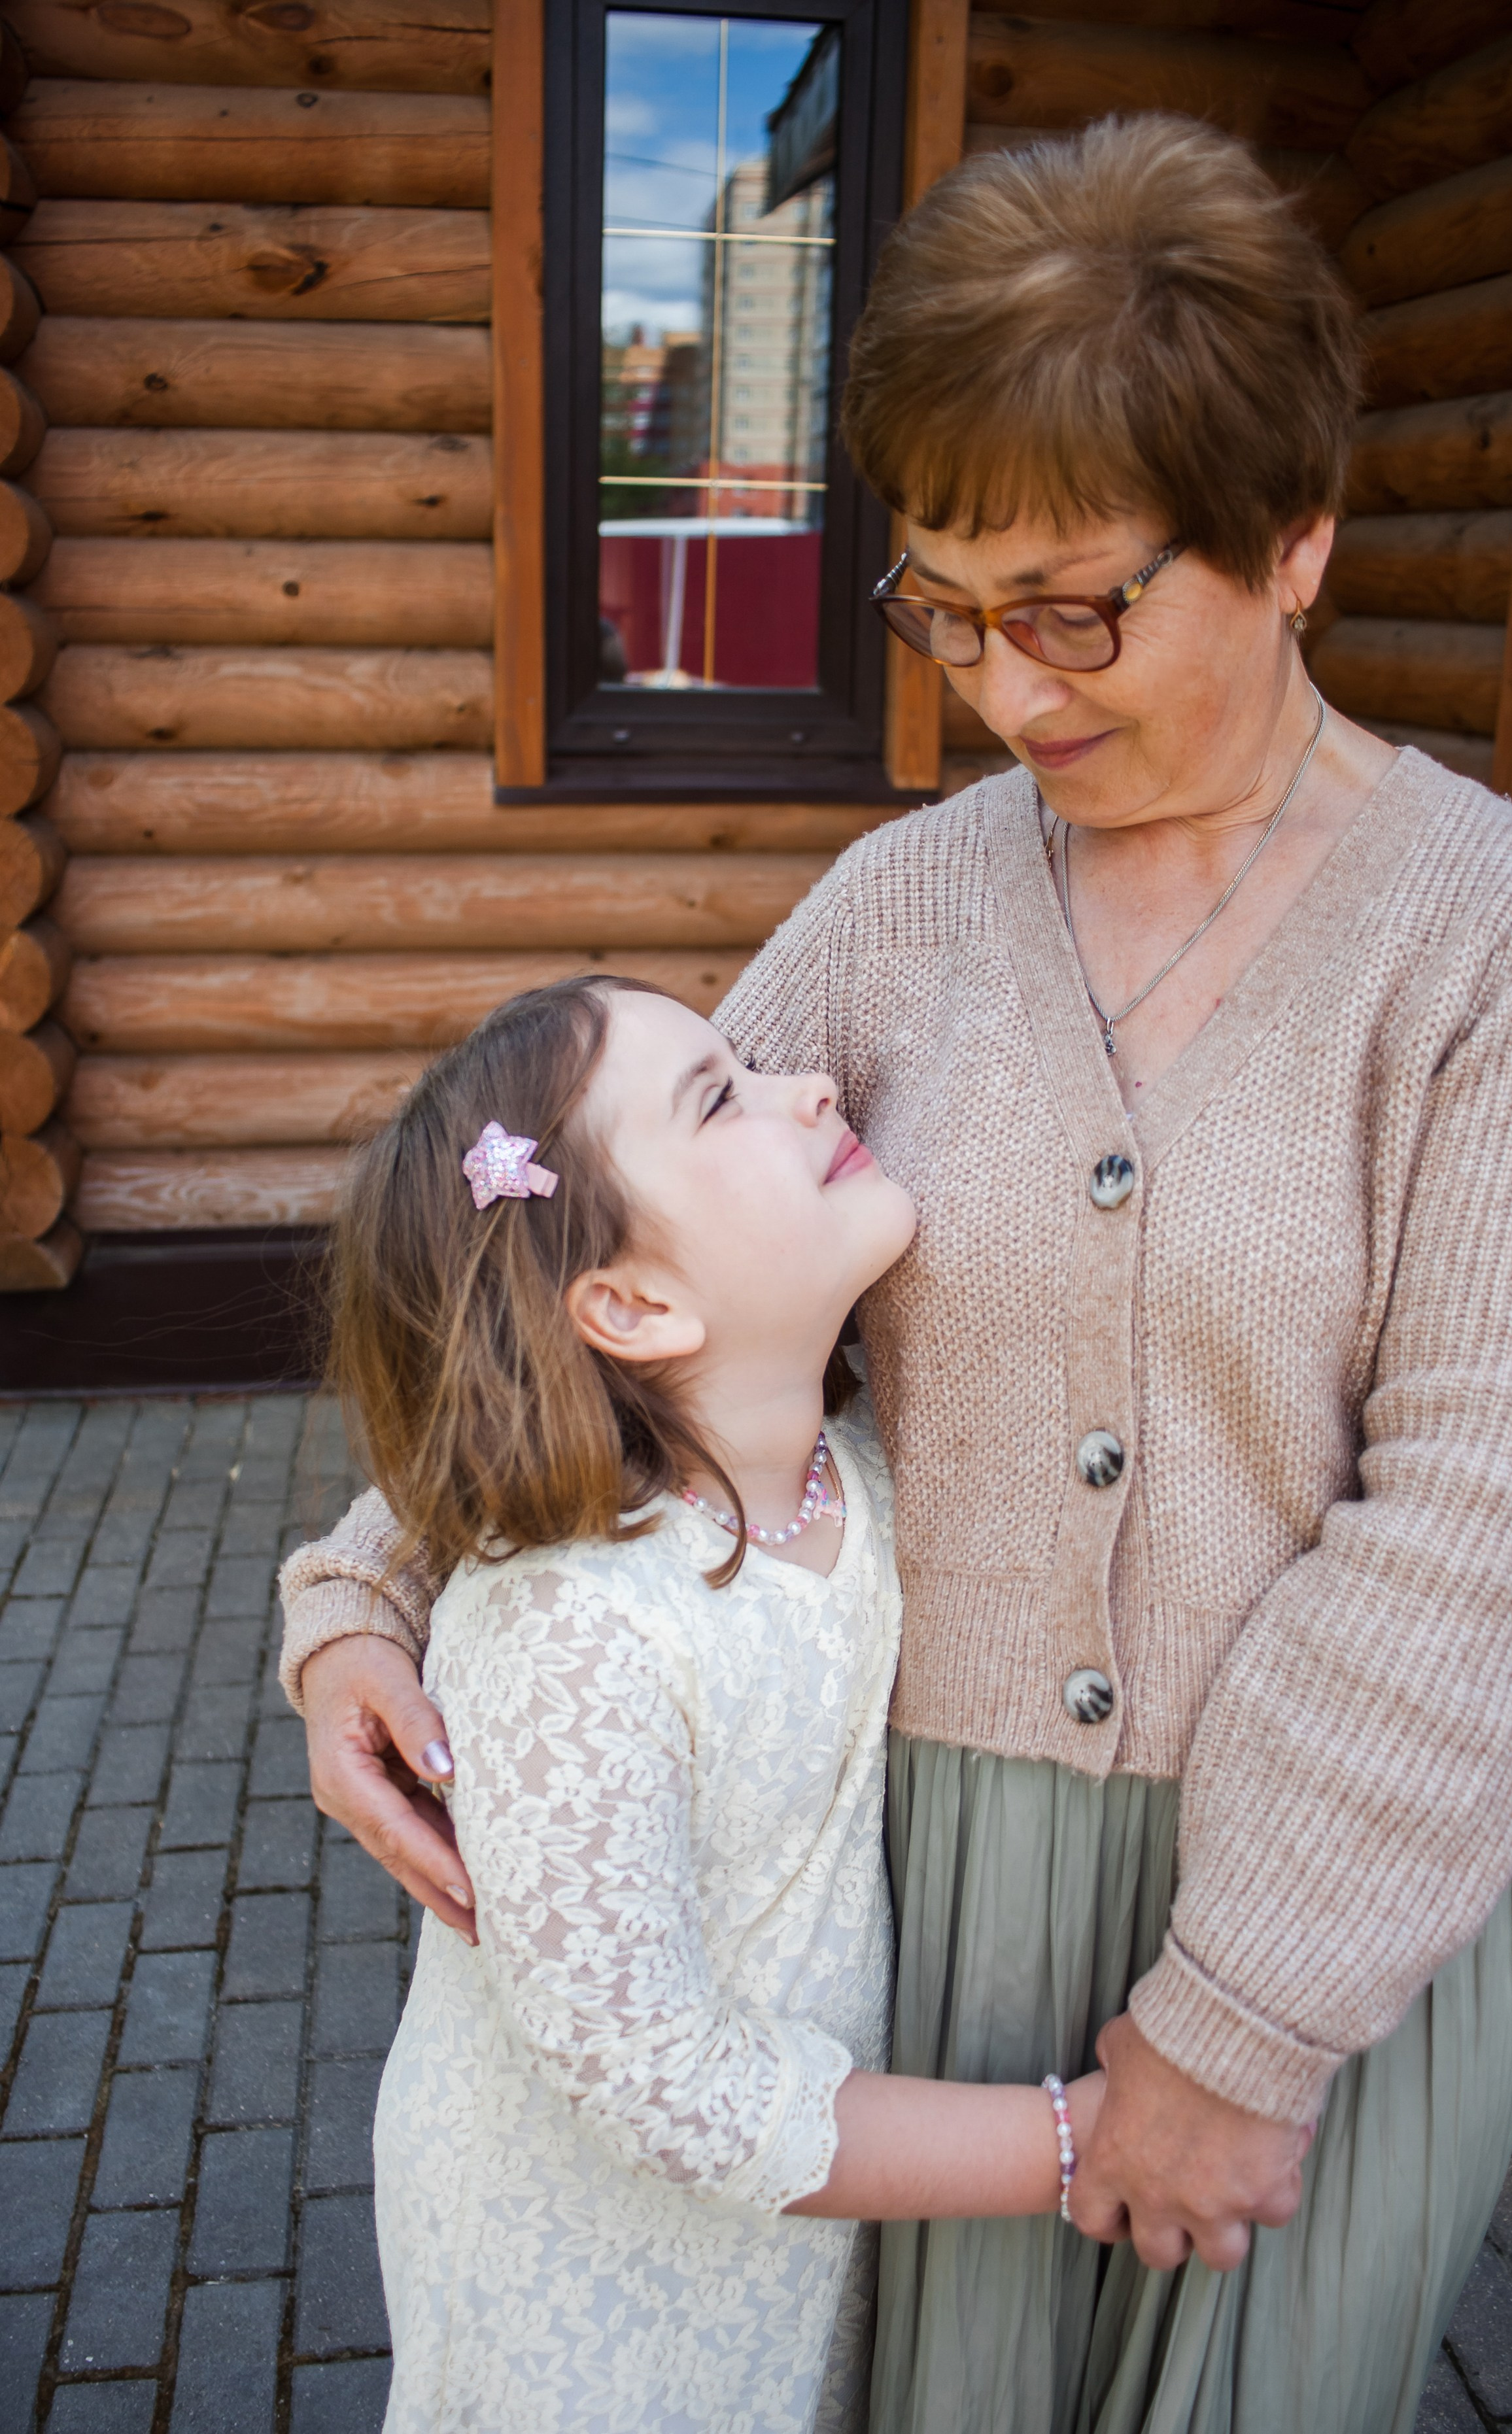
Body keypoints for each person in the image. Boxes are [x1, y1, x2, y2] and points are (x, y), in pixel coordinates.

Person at [281, 118, 1512, 2434]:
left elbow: (1491, 1527)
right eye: (944, 605)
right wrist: (356, 1599)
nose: (1007, 692)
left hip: (1330, 1907)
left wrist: (1239, 2020)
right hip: (926, 1893)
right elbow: (581, 1254)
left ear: (1296, 540)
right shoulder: (914, 903)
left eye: (1077, 610)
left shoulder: (1498, 940)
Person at [316, 974, 1107, 2434]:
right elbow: (651, 2073)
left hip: (783, 2228)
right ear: (628, 1302)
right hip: (574, 2285)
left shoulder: (853, 1478)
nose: (813, 1087)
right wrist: (1070, 2143)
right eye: (721, 1095)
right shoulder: (567, 1629)